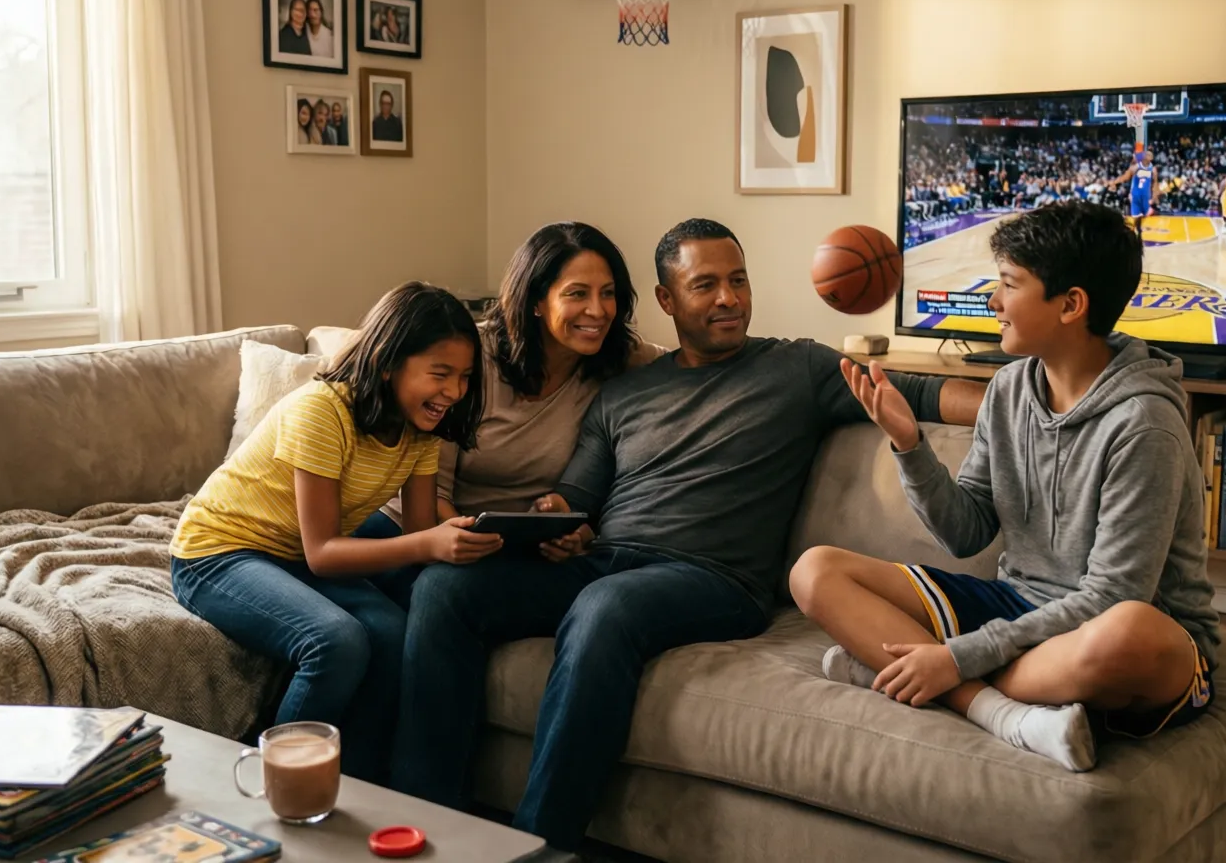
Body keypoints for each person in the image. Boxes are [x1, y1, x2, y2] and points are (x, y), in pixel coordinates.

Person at [391, 218, 986, 850]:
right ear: (668, 301)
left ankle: (541, 845)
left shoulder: (798, 367)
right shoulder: (623, 390)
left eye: (738, 281)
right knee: (444, 590)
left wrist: (1042, 390)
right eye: (705, 285)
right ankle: (428, 825)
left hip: (713, 578)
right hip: (609, 562)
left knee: (605, 607)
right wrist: (556, 522)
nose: (728, 298)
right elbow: (577, 495)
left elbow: (922, 392)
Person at [789, 201, 1220, 774]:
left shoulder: (1145, 424)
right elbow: (966, 534)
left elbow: (1113, 597)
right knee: (815, 571)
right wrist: (908, 443)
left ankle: (904, 670)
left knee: (1126, 631)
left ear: (1071, 305)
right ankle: (997, 711)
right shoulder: (1009, 388)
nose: (993, 301)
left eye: (1009, 284)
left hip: (1121, 632)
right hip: (1017, 608)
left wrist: (957, 656)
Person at [168, 283, 502, 782]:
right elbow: (324, 554)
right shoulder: (323, 412)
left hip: (292, 554)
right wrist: (430, 541)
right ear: (389, 362)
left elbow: (413, 536)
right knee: (336, 640)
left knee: (394, 633)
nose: (454, 392)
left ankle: (360, 789)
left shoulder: (421, 434)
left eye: (464, 377)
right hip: (217, 553)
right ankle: (277, 786)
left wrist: (466, 540)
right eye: (440, 374)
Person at [363, 222, 664, 570]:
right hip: (419, 531)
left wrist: (578, 533)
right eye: (577, 293)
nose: (597, 311)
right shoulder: (470, 359)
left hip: (518, 545)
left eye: (607, 293)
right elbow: (434, 494)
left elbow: (689, 361)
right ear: (536, 301)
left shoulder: (620, 359)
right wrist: (473, 540)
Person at [1107, 149, 1156, 237]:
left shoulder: (1146, 168)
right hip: (1138, 194)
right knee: (1137, 215)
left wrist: (1114, 182)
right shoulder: (1142, 168)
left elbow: (1125, 178)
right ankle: (1134, 230)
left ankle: (1135, 229)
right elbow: (1125, 178)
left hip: (1141, 195)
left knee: (1139, 215)